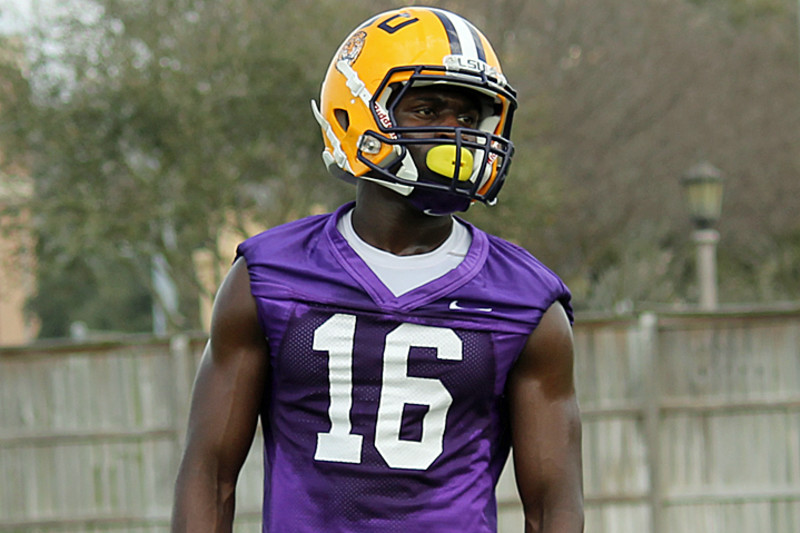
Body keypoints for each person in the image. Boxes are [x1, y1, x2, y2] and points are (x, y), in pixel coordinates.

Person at [172, 6, 583, 533]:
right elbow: (210, 474)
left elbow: (554, 506)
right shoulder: (269, 278)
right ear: (354, 112)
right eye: (429, 110)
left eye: (467, 116)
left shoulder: (528, 303)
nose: (455, 135)